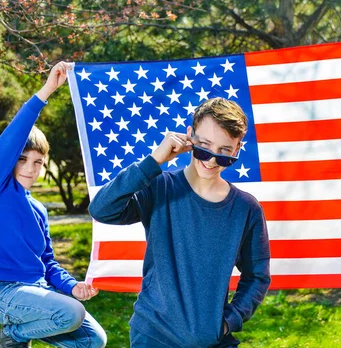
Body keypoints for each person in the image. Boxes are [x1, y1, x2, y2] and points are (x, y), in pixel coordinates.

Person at [89, 97, 271, 347]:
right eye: (204, 146)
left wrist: (230, 320)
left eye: (224, 152)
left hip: (214, 340)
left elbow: (257, 276)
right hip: (153, 336)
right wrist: (153, 162)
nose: (211, 159)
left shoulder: (246, 208)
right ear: (190, 136)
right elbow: (102, 209)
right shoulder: (158, 187)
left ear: (237, 149)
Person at [0, 62, 107, 348]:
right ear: (10, 161)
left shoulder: (39, 210)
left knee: (94, 339)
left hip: (37, 291)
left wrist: (73, 286)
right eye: (22, 159)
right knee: (71, 311)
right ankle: (13, 336)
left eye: (38, 162)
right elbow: (10, 140)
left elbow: (48, 262)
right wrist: (47, 90)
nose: (31, 169)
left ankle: (19, 340)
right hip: (1, 292)